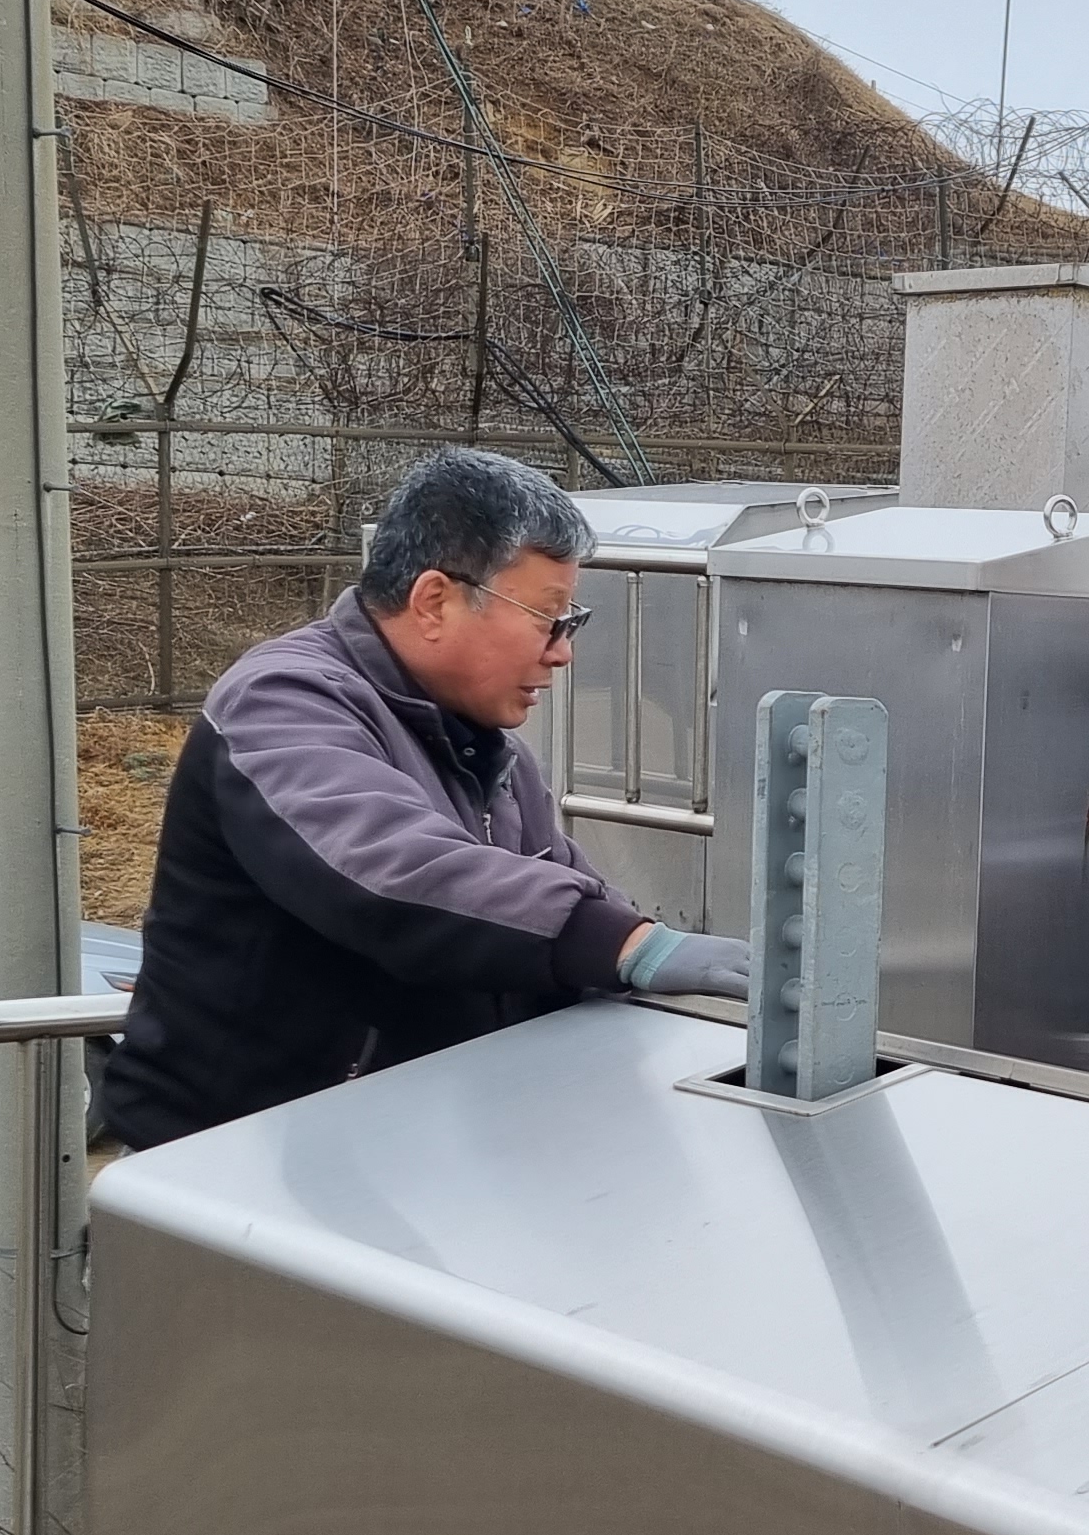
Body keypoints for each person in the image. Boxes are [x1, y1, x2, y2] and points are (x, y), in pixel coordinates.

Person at [106, 446, 749, 1149]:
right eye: (548, 619)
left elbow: (560, 891)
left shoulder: (487, 748)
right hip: (237, 1155)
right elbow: (391, 868)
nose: (562, 651)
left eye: (572, 622)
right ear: (435, 601)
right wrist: (628, 945)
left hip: (400, 1140)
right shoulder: (281, 700)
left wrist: (630, 954)